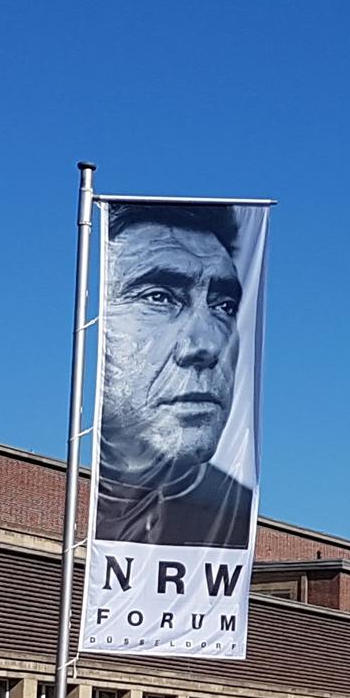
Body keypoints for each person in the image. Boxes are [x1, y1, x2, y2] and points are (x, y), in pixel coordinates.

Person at [95, 203, 255, 548]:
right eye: (159, 297)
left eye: (224, 305)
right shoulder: (38, 495)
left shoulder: (239, 514)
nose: (208, 345)